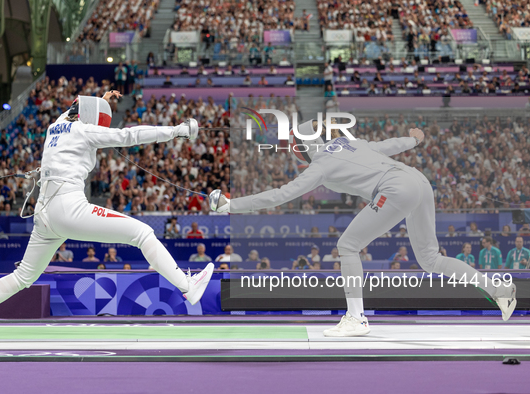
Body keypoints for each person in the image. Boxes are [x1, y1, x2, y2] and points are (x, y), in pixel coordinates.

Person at [209, 120, 516, 336]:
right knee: (430, 259)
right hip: (419, 181)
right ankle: (499, 290)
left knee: (348, 246)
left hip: (395, 188)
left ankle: (356, 318)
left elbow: (280, 196)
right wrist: (414, 140)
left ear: (300, 150)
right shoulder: (346, 143)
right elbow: (388, 145)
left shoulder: (319, 166)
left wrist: (231, 204)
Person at [0, 92, 214, 337]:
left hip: (44, 215)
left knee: (22, 277)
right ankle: (187, 287)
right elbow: (128, 136)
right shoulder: (85, 131)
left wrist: (100, 100)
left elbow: (76, 110)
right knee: (142, 233)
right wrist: (178, 131)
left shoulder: (55, 125)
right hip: (69, 209)